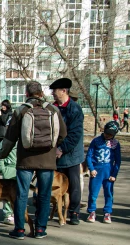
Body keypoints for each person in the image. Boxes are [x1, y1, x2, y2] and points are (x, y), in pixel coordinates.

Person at [0, 80, 67, 239]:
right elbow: (63, 134)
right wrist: (52, 148)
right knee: (44, 194)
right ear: (42, 93)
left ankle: (20, 229)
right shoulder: (53, 110)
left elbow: (10, 138)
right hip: (47, 160)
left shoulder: (21, 111)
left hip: (25, 160)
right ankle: (41, 229)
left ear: (26, 94)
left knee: (22, 194)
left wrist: (2, 154)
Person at [51, 77, 84, 225]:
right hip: (55, 154)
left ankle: (74, 212)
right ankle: (52, 210)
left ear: (63, 91)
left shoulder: (75, 109)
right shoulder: (52, 108)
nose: (52, 93)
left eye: (55, 91)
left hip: (71, 155)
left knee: (73, 185)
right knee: (53, 184)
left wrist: (62, 149)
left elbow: (74, 134)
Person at [86, 121, 121, 224]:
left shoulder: (115, 144)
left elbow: (118, 161)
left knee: (109, 193)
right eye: (107, 133)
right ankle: (92, 211)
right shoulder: (96, 141)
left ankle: (107, 213)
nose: (108, 135)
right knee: (93, 193)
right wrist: (91, 169)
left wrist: (114, 174)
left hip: (109, 172)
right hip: (96, 171)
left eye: (111, 134)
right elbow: (89, 156)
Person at [0, 140, 16, 225]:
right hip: (9, 168)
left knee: (20, 193)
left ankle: (17, 213)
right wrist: (2, 169)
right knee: (7, 194)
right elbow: (0, 154)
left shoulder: (25, 138)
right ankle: (8, 215)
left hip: (23, 168)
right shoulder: (6, 140)